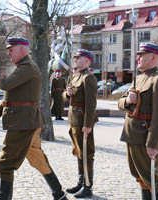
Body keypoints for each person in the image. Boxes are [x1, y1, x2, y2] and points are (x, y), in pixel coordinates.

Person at [0, 37, 68, 200]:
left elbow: (6, 84)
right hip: (26, 121)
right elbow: (14, 94)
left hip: (23, 123)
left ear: (23, 48)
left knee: (6, 163)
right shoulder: (22, 67)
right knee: (37, 158)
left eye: (11, 49)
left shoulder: (27, 67)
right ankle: (59, 194)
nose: (9, 53)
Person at [118, 42, 158, 200]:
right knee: (140, 175)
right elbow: (120, 103)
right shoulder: (139, 78)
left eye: (141, 55)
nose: (137, 58)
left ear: (153, 57)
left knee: (153, 178)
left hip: (146, 135)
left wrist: (152, 143)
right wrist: (127, 100)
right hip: (132, 135)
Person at [63, 49, 97, 198]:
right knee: (78, 152)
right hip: (74, 120)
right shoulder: (75, 76)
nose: (75, 59)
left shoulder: (88, 78)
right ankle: (80, 181)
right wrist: (67, 94)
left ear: (87, 61)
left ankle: (87, 186)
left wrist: (88, 124)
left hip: (83, 120)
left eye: (79, 58)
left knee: (86, 153)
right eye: (75, 57)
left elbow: (91, 104)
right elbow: (66, 96)